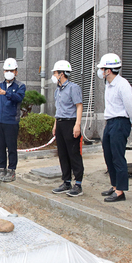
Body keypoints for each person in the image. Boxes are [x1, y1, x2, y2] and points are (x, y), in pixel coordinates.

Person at [96, 53, 132, 202]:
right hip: (110, 122)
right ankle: (114, 186)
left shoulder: (123, 84)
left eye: (102, 68)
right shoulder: (108, 84)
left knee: (118, 157)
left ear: (108, 70)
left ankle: (120, 191)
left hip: (120, 122)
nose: (100, 71)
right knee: (108, 155)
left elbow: (131, 106)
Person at [50, 60, 84, 197]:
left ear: (62, 74)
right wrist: (55, 124)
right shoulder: (57, 90)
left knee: (73, 153)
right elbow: (58, 109)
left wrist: (78, 124)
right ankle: (66, 181)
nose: (53, 74)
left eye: (55, 72)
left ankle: (78, 184)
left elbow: (79, 106)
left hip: (71, 123)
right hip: (60, 123)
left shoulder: (73, 88)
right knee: (62, 154)